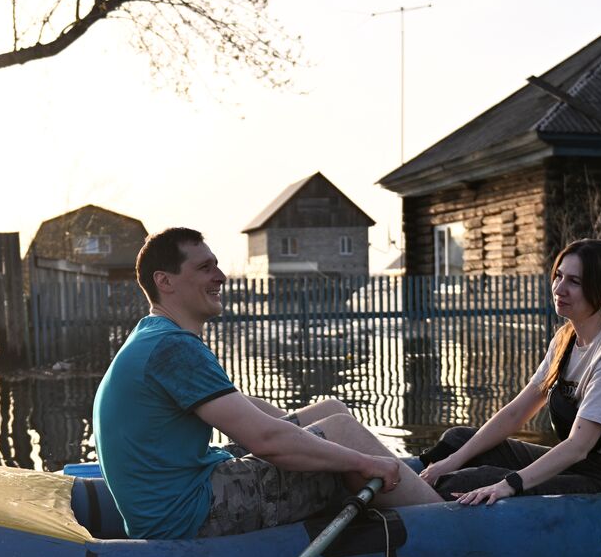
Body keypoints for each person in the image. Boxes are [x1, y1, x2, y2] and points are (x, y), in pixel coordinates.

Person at [93, 227, 440, 539]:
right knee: (342, 431)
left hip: (172, 496)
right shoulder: (174, 348)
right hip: (186, 514)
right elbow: (267, 440)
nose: (221, 276)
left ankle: (400, 487)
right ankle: (448, 521)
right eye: (204, 268)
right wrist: (361, 461)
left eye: (216, 265)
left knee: (330, 411)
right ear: (165, 282)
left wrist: (308, 433)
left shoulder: (154, 335)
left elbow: (240, 407)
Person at [417, 238, 601, 505]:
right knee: (457, 439)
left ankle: (410, 512)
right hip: (581, 465)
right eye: (558, 276)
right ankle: (411, 480)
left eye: (575, 282)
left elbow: (579, 446)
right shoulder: (566, 338)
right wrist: (450, 461)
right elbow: (517, 412)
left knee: (470, 481)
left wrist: (508, 485)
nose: (559, 288)